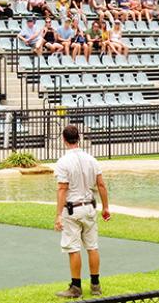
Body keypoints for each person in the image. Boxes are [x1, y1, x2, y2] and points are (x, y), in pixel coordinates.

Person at [54, 125, 110, 299]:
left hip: (72, 209)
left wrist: (58, 215)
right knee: (92, 246)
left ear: (64, 139)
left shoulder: (63, 162)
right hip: (89, 207)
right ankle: (95, 285)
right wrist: (106, 207)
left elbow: (63, 188)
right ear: (78, 138)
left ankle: (76, 287)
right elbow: (101, 184)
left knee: (73, 248)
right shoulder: (91, 159)